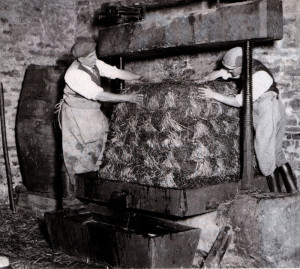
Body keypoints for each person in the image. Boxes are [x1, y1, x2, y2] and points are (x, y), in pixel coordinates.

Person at [198, 47, 298, 193]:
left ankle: (276, 196)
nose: (231, 73)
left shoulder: (259, 76)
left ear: (242, 66)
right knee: (276, 152)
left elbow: (239, 102)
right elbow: (218, 74)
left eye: (233, 70)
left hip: (267, 108)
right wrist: (211, 76)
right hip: (271, 106)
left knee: (264, 152)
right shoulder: (247, 66)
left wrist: (213, 95)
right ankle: (294, 192)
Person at [57, 38, 146, 194]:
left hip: (91, 111)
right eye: (91, 56)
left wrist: (139, 77)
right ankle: (74, 196)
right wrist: (128, 98)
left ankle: (94, 188)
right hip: (77, 114)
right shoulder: (74, 74)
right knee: (79, 154)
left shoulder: (93, 62)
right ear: (80, 59)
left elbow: (116, 73)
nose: (95, 58)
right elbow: (100, 95)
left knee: (101, 142)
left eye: (94, 54)